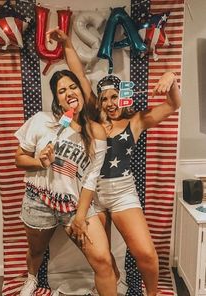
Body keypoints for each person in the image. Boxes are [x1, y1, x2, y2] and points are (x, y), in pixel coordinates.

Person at [47, 27, 182, 296]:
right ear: (99, 101)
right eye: (105, 98)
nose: (110, 102)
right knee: (103, 258)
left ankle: (151, 293)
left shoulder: (135, 121)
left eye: (115, 96)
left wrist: (172, 79)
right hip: (92, 195)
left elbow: (173, 105)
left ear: (124, 96)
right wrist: (67, 44)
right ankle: (112, 284)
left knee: (147, 254)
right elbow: (81, 76)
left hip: (122, 194)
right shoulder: (95, 119)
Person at [15, 69, 118, 296]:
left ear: (81, 91)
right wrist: (40, 162)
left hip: (73, 204)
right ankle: (31, 279)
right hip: (38, 199)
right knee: (36, 250)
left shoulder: (96, 131)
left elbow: (91, 178)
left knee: (102, 259)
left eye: (73, 87)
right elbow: (18, 159)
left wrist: (80, 217)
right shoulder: (42, 121)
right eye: (62, 90)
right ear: (57, 98)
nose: (69, 92)